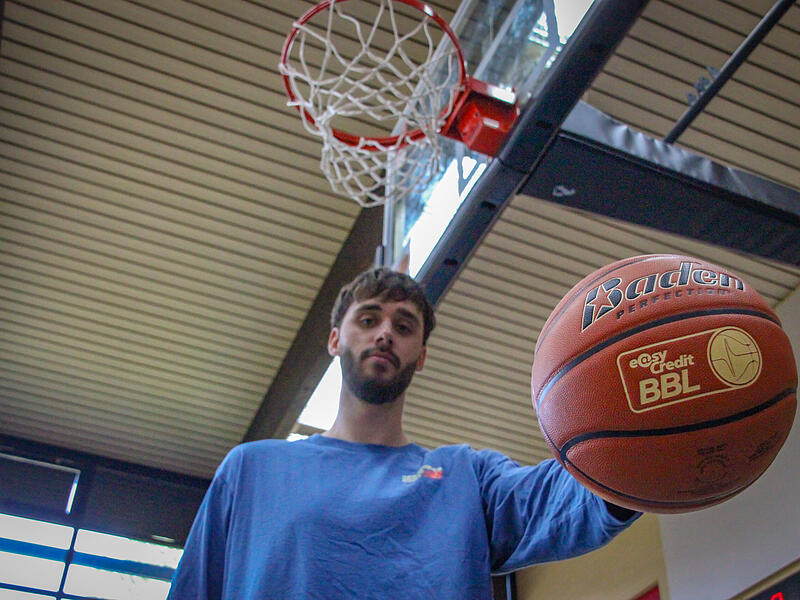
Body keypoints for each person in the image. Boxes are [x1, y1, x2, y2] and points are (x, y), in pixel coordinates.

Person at [168, 267, 639, 600]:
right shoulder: (251, 469)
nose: (385, 334)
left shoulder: (467, 476)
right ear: (335, 338)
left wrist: (641, 433)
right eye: (368, 319)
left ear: (421, 355)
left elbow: (564, 500)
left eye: (404, 326)